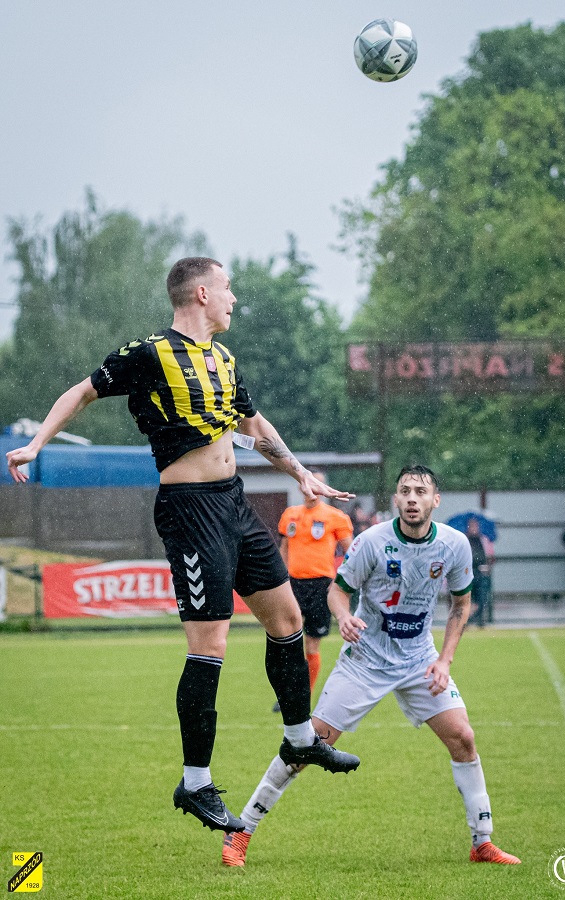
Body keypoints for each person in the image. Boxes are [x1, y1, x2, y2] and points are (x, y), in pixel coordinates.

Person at [6, 256, 360, 835]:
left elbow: (254, 425)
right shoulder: (150, 353)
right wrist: (37, 444)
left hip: (234, 502)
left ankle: (300, 738)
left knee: (288, 618)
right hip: (190, 511)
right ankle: (195, 782)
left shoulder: (223, 358)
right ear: (200, 293)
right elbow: (82, 392)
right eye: (227, 288)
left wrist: (301, 473)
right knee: (210, 645)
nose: (234, 299)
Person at [222, 464, 521, 867]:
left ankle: (482, 842)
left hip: (420, 661)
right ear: (395, 499)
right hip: (365, 661)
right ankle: (240, 832)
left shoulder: (454, 545)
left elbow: (460, 606)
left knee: (463, 738)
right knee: (307, 745)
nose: (412, 498)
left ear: (435, 500)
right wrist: (344, 616)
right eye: (405, 491)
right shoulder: (372, 542)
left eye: (420, 492)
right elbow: (338, 591)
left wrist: (445, 660)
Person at [273, 471, 353, 710]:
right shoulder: (290, 515)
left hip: (321, 586)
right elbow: (284, 548)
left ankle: (304, 695)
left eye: (318, 484)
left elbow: (353, 553)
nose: (312, 489)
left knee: (311, 645)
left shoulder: (335, 517)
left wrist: (340, 582)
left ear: (324, 488)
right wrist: (282, 579)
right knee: (288, 642)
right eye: (309, 484)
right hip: (293, 585)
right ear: (301, 487)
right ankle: (288, 693)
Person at [465, 517, 493, 627]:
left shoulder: (484, 539)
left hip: (481, 573)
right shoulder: (464, 539)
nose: (474, 528)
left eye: (475, 526)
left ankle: (479, 619)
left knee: (481, 597)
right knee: (468, 598)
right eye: (471, 526)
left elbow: (490, 556)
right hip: (468, 573)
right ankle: (468, 619)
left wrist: (487, 565)